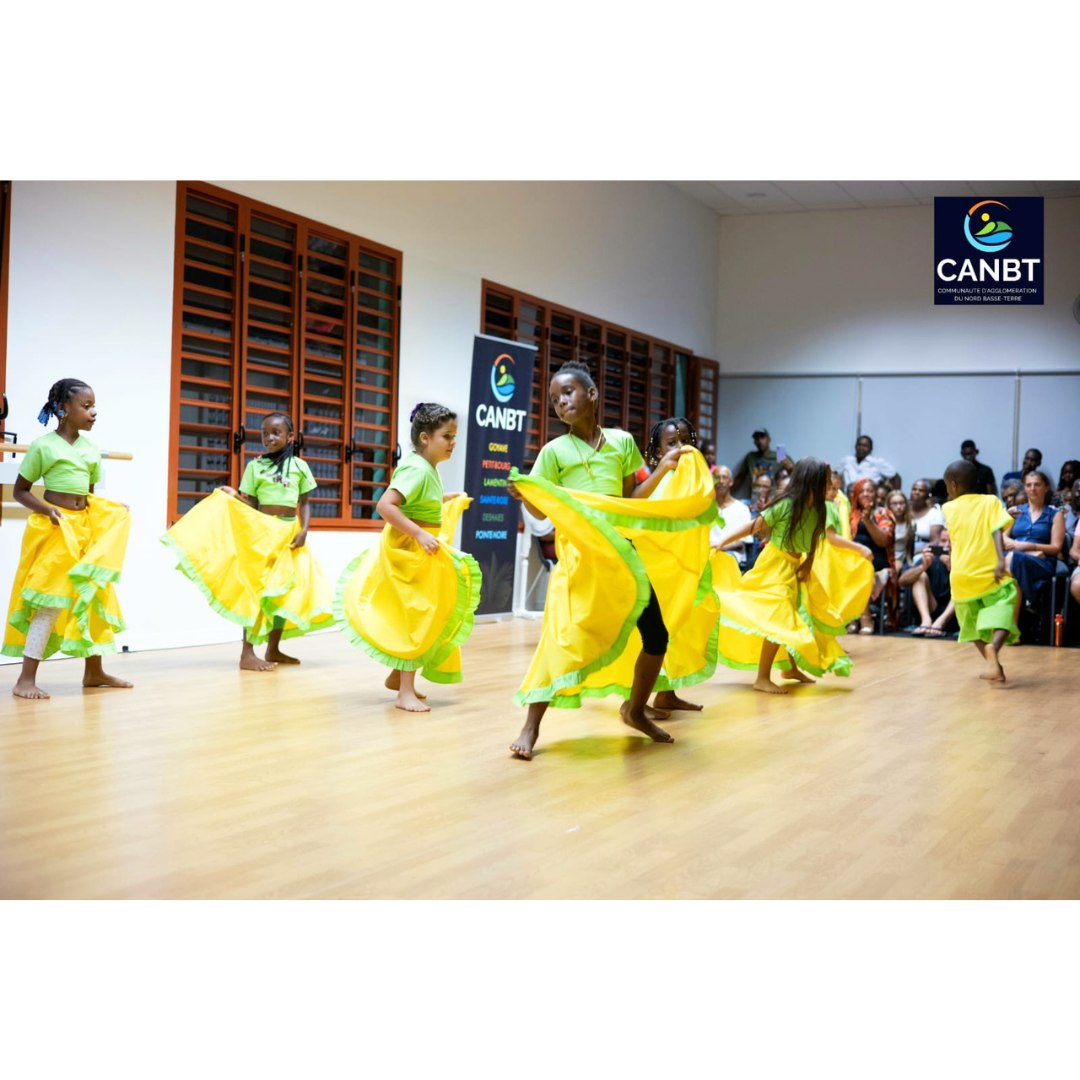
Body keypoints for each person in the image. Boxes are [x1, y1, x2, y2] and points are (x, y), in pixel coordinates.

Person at [506, 363, 719, 760]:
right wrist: (526, 496)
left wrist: (662, 469)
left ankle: (635, 710)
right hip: (580, 558)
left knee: (656, 636)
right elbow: (541, 509)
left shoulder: (622, 442)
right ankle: (530, 726)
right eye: (554, 399)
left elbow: (631, 501)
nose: (560, 402)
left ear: (592, 394)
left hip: (623, 553)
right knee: (561, 639)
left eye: (567, 392)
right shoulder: (553, 452)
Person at [162, 411, 336, 671]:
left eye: (276, 432)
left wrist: (305, 530)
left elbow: (305, 502)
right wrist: (234, 495)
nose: (269, 438)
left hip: (289, 535)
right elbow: (251, 505)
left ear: (290, 436)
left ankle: (273, 649)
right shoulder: (255, 467)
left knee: (282, 592)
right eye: (264, 433)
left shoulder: (300, 466)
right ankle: (247, 654)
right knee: (257, 591)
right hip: (262, 534)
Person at [335, 403, 480, 712]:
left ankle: (396, 678)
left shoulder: (426, 468)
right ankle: (404, 693)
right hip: (410, 553)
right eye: (447, 436)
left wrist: (444, 498)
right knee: (417, 617)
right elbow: (385, 505)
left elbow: (417, 501)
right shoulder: (416, 469)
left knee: (419, 614)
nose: (453, 442)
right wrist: (419, 534)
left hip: (419, 553)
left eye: (454, 436)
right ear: (425, 438)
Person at [5, 378, 134, 699]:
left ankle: (94, 672)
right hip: (55, 531)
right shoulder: (43, 446)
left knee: (90, 595)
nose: (93, 412)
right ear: (64, 409)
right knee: (49, 601)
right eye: (86, 406)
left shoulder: (90, 449)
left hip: (82, 530)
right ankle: (25, 679)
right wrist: (47, 510)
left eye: (94, 406)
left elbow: (87, 497)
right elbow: (20, 491)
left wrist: (112, 508)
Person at [713, 457, 873, 693]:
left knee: (794, 617)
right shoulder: (786, 504)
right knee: (779, 618)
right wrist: (723, 541)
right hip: (775, 565)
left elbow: (813, 539)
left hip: (795, 567)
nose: (831, 486)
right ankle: (762, 677)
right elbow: (754, 526)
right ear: (812, 482)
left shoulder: (818, 508)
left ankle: (790, 668)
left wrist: (807, 563)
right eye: (826, 481)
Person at [940, 459, 1019, 687]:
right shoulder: (990, 501)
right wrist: (1001, 559)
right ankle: (994, 647)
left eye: (946, 485)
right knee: (1005, 608)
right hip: (989, 571)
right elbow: (995, 530)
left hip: (961, 575)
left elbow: (957, 537)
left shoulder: (948, 508)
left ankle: (994, 667)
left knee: (971, 626)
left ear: (954, 485)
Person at [1003, 469, 1065, 618]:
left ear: (1046, 487)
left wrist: (1030, 546)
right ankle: (1024, 608)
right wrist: (1027, 551)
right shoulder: (1016, 511)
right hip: (1020, 555)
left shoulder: (1055, 514)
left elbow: (1056, 548)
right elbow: (1002, 538)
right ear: (1024, 488)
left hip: (1043, 562)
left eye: (1037, 484)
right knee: (1010, 560)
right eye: (1028, 485)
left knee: (1012, 559)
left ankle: (1008, 621)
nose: (1032, 488)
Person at [901, 479, 952, 636]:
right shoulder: (905, 511)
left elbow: (934, 541)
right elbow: (902, 581)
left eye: (950, 542)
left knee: (964, 582)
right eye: (944, 541)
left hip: (953, 612)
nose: (946, 545)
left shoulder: (934, 514)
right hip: (933, 603)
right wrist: (922, 566)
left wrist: (952, 565)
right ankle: (925, 621)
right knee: (919, 575)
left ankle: (940, 623)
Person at [848, 477, 895, 633]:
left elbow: (884, 541)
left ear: (876, 494)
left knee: (861, 568)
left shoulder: (882, 513)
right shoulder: (849, 514)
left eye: (870, 491)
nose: (866, 494)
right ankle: (855, 616)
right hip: (852, 561)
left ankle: (863, 617)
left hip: (877, 560)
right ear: (855, 494)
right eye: (862, 491)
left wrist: (868, 521)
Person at [731, 427, 794, 499]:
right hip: (755, 498)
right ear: (754, 442)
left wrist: (791, 469)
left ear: (769, 439)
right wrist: (726, 493)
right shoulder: (751, 457)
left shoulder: (780, 455)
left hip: (773, 498)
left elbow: (796, 475)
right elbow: (740, 478)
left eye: (762, 437)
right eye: (757, 439)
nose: (760, 441)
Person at [710, 465, 752, 567]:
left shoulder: (742, 509)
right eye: (717, 477)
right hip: (708, 553)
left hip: (731, 555)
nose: (720, 481)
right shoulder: (706, 509)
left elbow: (742, 543)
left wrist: (719, 547)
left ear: (731, 482)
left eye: (724, 477)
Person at [828, 470, 852, 539]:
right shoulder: (823, 504)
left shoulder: (844, 500)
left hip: (844, 541)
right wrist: (835, 509)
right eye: (830, 488)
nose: (834, 492)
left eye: (836, 489)